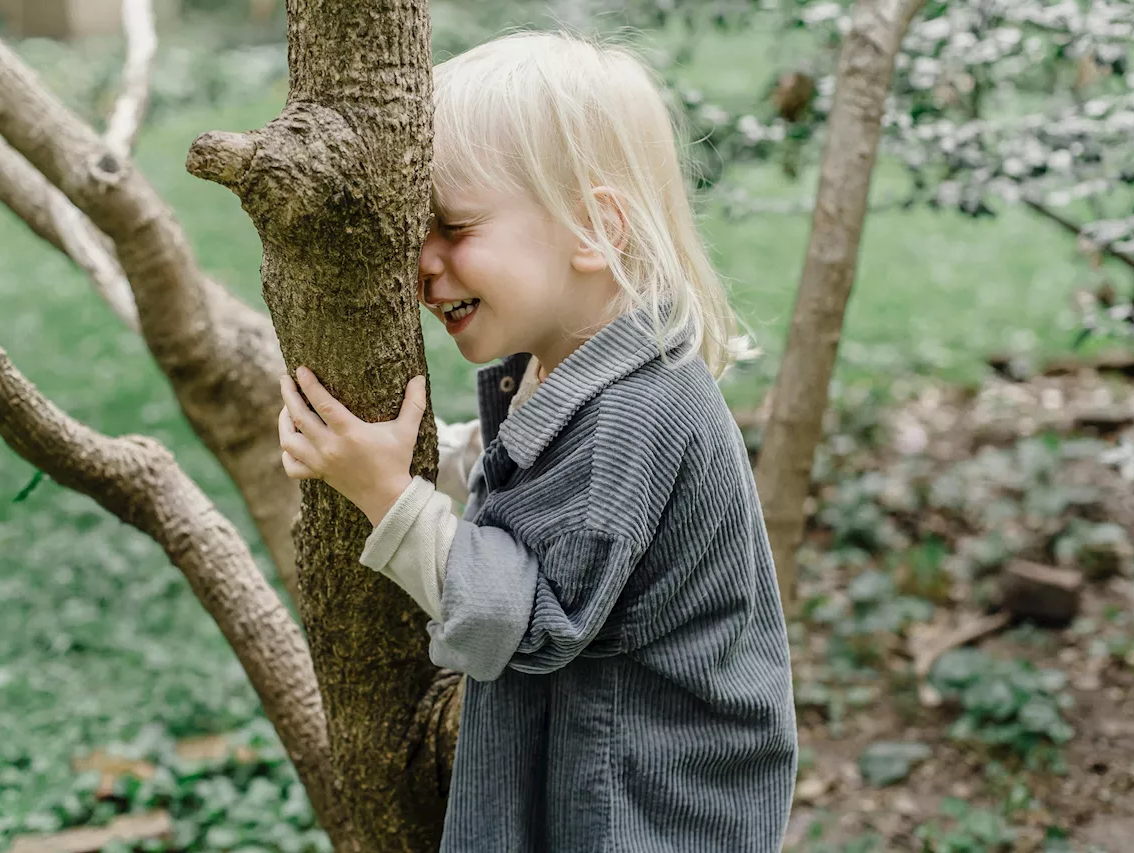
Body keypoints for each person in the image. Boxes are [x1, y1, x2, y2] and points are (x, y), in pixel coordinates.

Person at [276, 29, 797, 853]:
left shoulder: (637, 411)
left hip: (640, 807)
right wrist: (441, 455)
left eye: (453, 226)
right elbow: (537, 478)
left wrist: (386, 493)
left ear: (595, 228)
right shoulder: (578, 364)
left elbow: (528, 622)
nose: (423, 264)